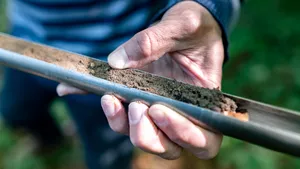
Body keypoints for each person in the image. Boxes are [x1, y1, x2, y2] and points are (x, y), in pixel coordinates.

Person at [0, 0, 241, 169]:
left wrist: (205, 8)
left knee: (105, 155)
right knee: (15, 110)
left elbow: (239, 113)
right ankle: (51, 140)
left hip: (113, 63)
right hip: (24, 45)